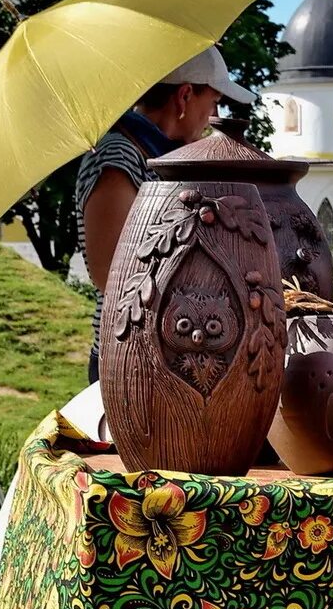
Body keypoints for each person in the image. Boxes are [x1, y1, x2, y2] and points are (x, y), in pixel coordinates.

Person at [74, 46, 257, 381]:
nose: (213, 115)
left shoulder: (164, 155)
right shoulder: (118, 157)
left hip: (171, 352)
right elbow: (110, 274)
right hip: (131, 359)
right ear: (185, 96)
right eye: (213, 101)